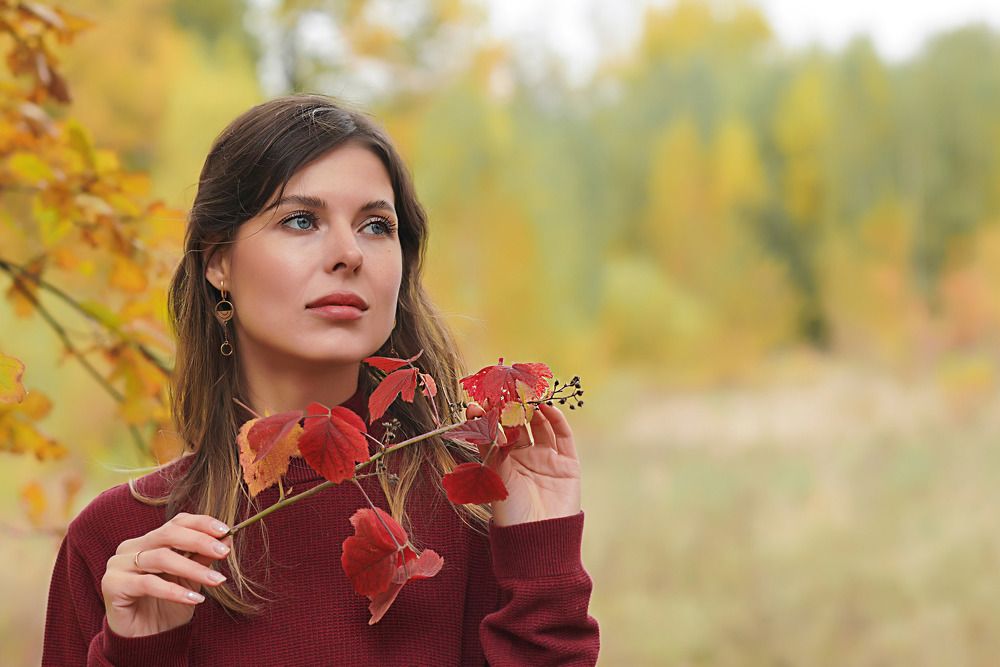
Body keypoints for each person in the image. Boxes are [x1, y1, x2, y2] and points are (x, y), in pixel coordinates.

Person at [41, 94, 599, 666]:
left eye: (377, 226)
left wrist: (542, 561)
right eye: (301, 220)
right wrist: (141, 654)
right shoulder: (125, 547)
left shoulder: (473, 508)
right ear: (218, 261)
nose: (349, 253)